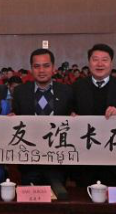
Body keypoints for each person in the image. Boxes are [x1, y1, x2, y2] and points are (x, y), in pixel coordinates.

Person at [72, 44, 116, 187]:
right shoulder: (77, 87)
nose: (100, 64)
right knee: (83, 197)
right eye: (95, 59)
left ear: (111, 63)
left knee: (113, 197)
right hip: (85, 158)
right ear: (89, 62)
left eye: (104, 60)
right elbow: (69, 111)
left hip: (114, 160)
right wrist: (71, 115)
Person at [11, 49, 74, 186]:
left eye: (46, 66)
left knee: (58, 196)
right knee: (30, 197)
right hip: (29, 161)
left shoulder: (67, 91)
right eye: (37, 66)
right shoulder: (20, 92)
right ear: (31, 69)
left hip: (57, 161)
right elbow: (15, 119)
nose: (41, 70)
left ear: (53, 68)